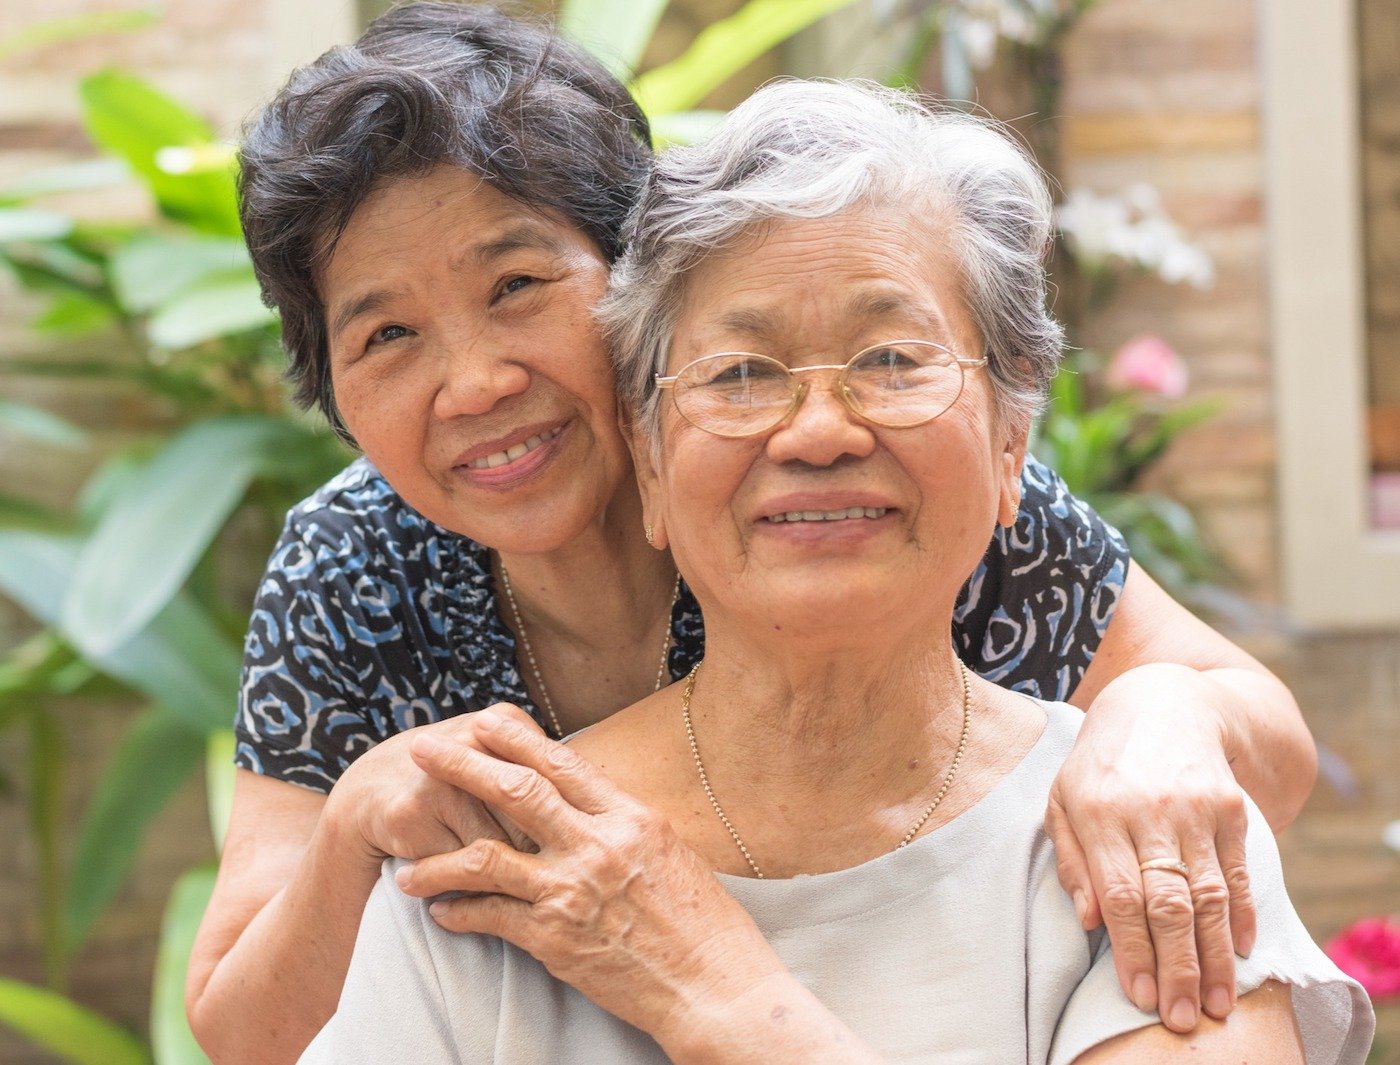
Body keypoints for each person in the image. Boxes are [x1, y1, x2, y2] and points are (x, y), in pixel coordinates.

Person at [187, 6, 1318, 1062]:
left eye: (519, 283)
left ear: (637, 282)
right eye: (385, 334)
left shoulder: (901, 494)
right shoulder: (354, 563)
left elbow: (1259, 738)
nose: (475, 382)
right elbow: (246, 1030)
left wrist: (1156, 711)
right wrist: (352, 833)